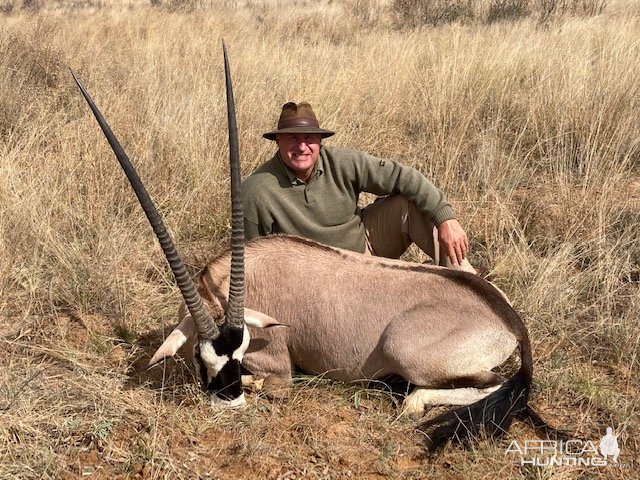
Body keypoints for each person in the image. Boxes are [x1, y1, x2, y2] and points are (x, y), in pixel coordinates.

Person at [242, 102, 475, 273]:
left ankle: (470, 284)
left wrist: (446, 219)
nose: (302, 147)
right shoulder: (256, 190)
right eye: (292, 138)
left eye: (309, 137)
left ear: (320, 141)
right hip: (312, 275)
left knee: (408, 206)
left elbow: (404, 177)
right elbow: (251, 259)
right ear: (277, 141)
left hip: (363, 247)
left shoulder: (343, 161)